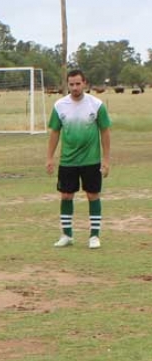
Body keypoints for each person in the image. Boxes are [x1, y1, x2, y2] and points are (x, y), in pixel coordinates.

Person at [46, 69, 111, 250]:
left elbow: (105, 131)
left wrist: (106, 160)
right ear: (68, 85)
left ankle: (94, 236)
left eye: (78, 84)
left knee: (92, 195)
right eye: (71, 84)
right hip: (68, 161)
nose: (75, 87)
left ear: (85, 84)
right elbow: (55, 132)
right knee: (66, 195)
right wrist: (49, 157)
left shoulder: (96, 105)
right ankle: (67, 235)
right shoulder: (60, 105)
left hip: (91, 160)